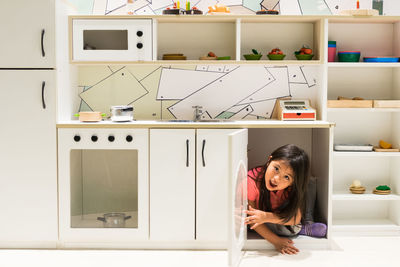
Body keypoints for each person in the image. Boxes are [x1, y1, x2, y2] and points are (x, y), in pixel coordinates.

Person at [245, 144, 316, 254]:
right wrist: (276, 241)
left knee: (310, 182)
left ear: (292, 182)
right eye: (276, 169)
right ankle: (303, 228)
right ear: (269, 161)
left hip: (279, 216)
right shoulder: (252, 179)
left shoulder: (292, 187)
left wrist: (266, 216)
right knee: (290, 230)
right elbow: (252, 219)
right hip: (264, 221)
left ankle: (308, 221)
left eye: (287, 177)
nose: (276, 179)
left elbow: (295, 218)